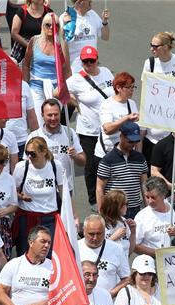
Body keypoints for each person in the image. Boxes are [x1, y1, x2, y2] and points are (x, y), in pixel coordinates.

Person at [66, 46, 113, 208]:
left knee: (109, 162)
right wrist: (74, 101)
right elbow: (57, 92)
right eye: (85, 61)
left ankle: (109, 195)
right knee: (91, 165)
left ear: (97, 59)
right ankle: (94, 200)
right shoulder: (76, 79)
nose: (88, 64)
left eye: (91, 60)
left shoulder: (106, 72)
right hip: (89, 130)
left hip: (109, 127)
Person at [142, 30, 175, 164]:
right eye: (151, 45)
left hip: (174, 121)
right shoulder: (150, 64)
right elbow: (146, 91)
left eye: (155, 46)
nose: (151, 49)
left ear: (165, 47)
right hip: (155, 120)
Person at [13, 135, 66, 254]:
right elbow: (12, 192)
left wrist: (74, 216)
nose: (29, 157)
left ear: (44, 152)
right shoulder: (22, 167)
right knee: (25, 253)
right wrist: (21, 197)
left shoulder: (55, 165)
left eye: (33, 153)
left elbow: (64, 193)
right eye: (27, 153)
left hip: (49, 217)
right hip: (27, 217)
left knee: (49, 253)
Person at [27, 98, 85, 199]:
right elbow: (27, 166)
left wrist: (75, 156)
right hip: (43, 191)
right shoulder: (34, 136)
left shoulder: (69, 133)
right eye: (49, 115)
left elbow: (82, 162)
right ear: (42, 115)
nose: (53, 118)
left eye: (56, 114)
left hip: (66, 189)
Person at [96, 120, 147, 218]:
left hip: (135, 209)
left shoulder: (140, 158)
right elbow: (99, 188)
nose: (133, 144)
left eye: (135, 141)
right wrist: (101, 212)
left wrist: (147, 209)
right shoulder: (108, 160)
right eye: (130, 141)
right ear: (121, 136)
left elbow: (144, 185)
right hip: (114, 210)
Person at [133, 176, 175, 255]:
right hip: (153, 261)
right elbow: (135, 245)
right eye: (147, 197)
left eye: (153, 197)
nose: (150, 201)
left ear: (163, 195)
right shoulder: (142, 216)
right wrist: (158, 254)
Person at [22, 13, 70, 110]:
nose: (52, 27)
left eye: (56, 25)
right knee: (38, 121)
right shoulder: (34, 40)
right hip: (36, 85)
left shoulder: (62, 44)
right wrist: (25, 86)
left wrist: (66, 89)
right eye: (48, 24)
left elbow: (67, 70)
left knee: (52, 118)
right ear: (43, 26)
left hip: (56, 88)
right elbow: (26, 65)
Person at [78, 214, 129, 297]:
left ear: (104, 231)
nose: (95, 238)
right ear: (84, 231)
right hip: (80, 302)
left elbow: (127, 278)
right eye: (91, 234)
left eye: (99, 234)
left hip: (108, 304)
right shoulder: (74, 248)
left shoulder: (116, 249)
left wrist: (110, 294)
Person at [61, 0, 109, 71]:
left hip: (92, 64)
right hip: (74, 69)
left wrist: (105, 22)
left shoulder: (93, 15)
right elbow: (59, 42)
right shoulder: (66, 17)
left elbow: (105, 37)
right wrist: (64, 25)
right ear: (79, 2)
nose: (91, 1)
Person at [99, 189, 135, 256]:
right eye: (126, 204)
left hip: (123, 263)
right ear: (116, 206)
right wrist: (114, 237)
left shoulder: (123, 221)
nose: (127, 206)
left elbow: (130, 251)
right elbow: (98, 249)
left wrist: (133, 232)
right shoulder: (100, 223)